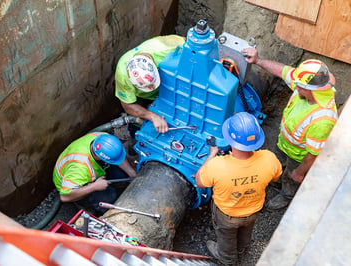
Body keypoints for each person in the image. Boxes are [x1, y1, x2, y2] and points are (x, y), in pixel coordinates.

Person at [242, 47, 338, 210]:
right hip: (283, 143)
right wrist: (258, 61)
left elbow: (313, 153)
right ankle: (277, 180)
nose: (295, 87)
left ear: (312, 89)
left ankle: (286, 195)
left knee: (291, 177)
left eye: (299, 86)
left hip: (298, 156)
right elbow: (283, 71)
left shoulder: (323, 119)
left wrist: (300, 172)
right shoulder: (307, 88)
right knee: (277, 164)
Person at [196, 112, 282, 265]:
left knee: (226, 237)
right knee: (245, 232)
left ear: (230, 139)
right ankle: (242, 249)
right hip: (253, 210)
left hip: (227, 216)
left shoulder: (217, 166)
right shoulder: (269, 158)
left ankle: (227, 259)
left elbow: (200, 182)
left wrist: (212, 155)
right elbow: (275, 177)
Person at [115, 35, 185, 135]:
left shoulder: (166, 47)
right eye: (147, 87)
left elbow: (191, 46)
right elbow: (128, 105)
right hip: (142, 97)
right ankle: (136, 135)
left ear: (153, 65)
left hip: (169, 86)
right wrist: (152, 116)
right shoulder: (123, 74)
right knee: (136, 124)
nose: (152, 88)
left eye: (152, 83)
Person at [53, 132, 136, 215]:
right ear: (99, 157)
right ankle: (86, 205)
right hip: (73, 186)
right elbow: (64, 197)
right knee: (109, 197)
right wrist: (94, 186)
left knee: (120, 175)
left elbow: (117, 156)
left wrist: (131, 172)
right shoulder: (81, 168)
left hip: (84, 172)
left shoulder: (102, 138)